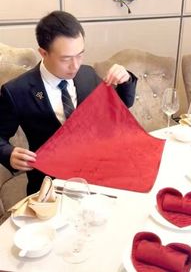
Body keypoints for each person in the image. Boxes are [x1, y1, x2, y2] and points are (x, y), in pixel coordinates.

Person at [0, 10, 137, 195]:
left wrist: (125, 80)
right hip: (50, 185)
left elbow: (119, 109)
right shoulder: (17, 90)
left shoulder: (87, 74)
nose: (75, 65)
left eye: (80, 54)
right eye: (66, 59)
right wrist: (9, 154)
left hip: (95, 178)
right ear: (43, 53)